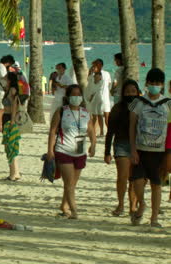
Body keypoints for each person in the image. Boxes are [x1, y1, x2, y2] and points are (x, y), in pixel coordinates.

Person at [129, 68, 171, 227]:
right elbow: (132, 127)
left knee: (156, 184)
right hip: (140, 150)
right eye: (152, 82)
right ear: (146, 84)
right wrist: (132, 149)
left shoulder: (168, 104)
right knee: (137, 181)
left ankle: (154, 218)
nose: (155, 85)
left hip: (159, 152)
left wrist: (168, 154)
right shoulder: (138, 103)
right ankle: (142, 203)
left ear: (162, 85)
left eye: (158, 83)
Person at [47, 84, 96, 219]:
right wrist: (50, 150)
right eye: (73, 94)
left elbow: (91, 129)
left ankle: (64, 206)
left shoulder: (85, 112)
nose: (76, 97)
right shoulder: (61, 111)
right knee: (69, 183)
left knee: (72, 184)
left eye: (78, 94)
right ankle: (74, 211)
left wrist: (93, 144)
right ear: (68, 97)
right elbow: (52, 131)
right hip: (64, 150)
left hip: (80, 152)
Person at [104, 79, 140, 217]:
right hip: (121, 144)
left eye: (133, 91)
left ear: (138, 92)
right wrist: (107, 152)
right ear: (123, 93)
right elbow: (110, 132)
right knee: (123, 176)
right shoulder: (117, 108)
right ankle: (121, 204)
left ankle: (133, 206)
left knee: (135, 178)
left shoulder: (142, 107)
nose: (130, 93)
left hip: (138, 145)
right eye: (127, 91)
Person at [1, 72, 22, 181]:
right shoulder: (9, 89)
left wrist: (13, 121)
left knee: (11, 146)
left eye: (6, 78)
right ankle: (15, 172)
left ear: (10, 79)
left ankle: (13, 173)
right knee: (8, 146)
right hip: (6, 117)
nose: (4, 78)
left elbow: (15, 106)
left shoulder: (13, 90)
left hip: (10, 119)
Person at [0, 55, 15, 132]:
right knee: (1, 109)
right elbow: (4, 77)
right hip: (1, 90)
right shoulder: (1, 66)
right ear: (8, 62)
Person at [86, 67, 106, 136]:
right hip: (93, 100)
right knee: (94, 116)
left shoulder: (101, 82)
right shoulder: (92, 80)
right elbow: (89, 77)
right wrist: (91, 70)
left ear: (100, 77)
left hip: (98, 99)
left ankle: (101, 131)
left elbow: (95, 92)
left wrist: (91, 98)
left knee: (99, 115)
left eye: (98, 76)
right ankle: (93, 131)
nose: (96, 78)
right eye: (96, 76)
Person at [94, 59, 112, 129]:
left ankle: (109, 130)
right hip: (98, 97)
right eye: (95, 64)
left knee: (106, 115)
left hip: (105, 97)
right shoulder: (94, 74)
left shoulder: (106, 73)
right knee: (99, 115)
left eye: (97, 64)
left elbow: (109, 83)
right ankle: (101, 131)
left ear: (101, 65)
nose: (96, 65)